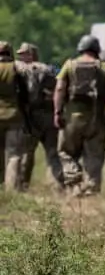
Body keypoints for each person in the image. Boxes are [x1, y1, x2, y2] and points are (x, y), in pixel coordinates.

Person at [54, 34, 105, 196]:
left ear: (80, 48)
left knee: (66, 152)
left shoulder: (69, 65)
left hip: (72, 120)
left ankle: (74, 182)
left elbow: (60, 89)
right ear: (97, 49)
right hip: (97, 120)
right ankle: (91, 189)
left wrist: (57, 112)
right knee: (94, 156)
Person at [15, 42, 64, 190]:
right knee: (52, 153)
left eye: (24, 54)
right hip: (50, 117)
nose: (22, 57)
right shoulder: (51, 69)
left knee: (27, 153)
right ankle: (57, 185)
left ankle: (23, 185)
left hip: (32, 118)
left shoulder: (22, 70)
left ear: (31, 55)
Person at [0, 41, 33, 190]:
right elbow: (25, 95)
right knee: (13, 155)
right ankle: (11, 188)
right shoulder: (16, 68)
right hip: (14, 116)